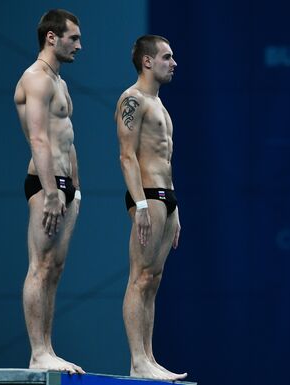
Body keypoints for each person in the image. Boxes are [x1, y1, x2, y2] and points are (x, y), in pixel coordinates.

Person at [14, 9, 84, 374]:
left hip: (64, 186)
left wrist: (76, 188)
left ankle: (48, 348)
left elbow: (67, 139)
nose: (79, 45)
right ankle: (37, 351)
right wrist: (52, 190)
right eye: (73, 38)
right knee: (39, 266)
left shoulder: (60, 81)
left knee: (54, 270)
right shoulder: (36, 79)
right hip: (46, 185)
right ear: (52, 38)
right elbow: (39, 138)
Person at [115, 35, 187, 381]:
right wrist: (141, 203)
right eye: (167, 57)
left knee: (153, 280)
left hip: (165, 198)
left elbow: (167, 161)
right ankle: (136, 360)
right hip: (147, 196)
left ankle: (149, 357)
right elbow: (126, 155)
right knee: (139, 278)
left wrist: (176, 210)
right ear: (147, 61)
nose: (173, 63)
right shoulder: (133, 100)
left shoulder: (160, 105)